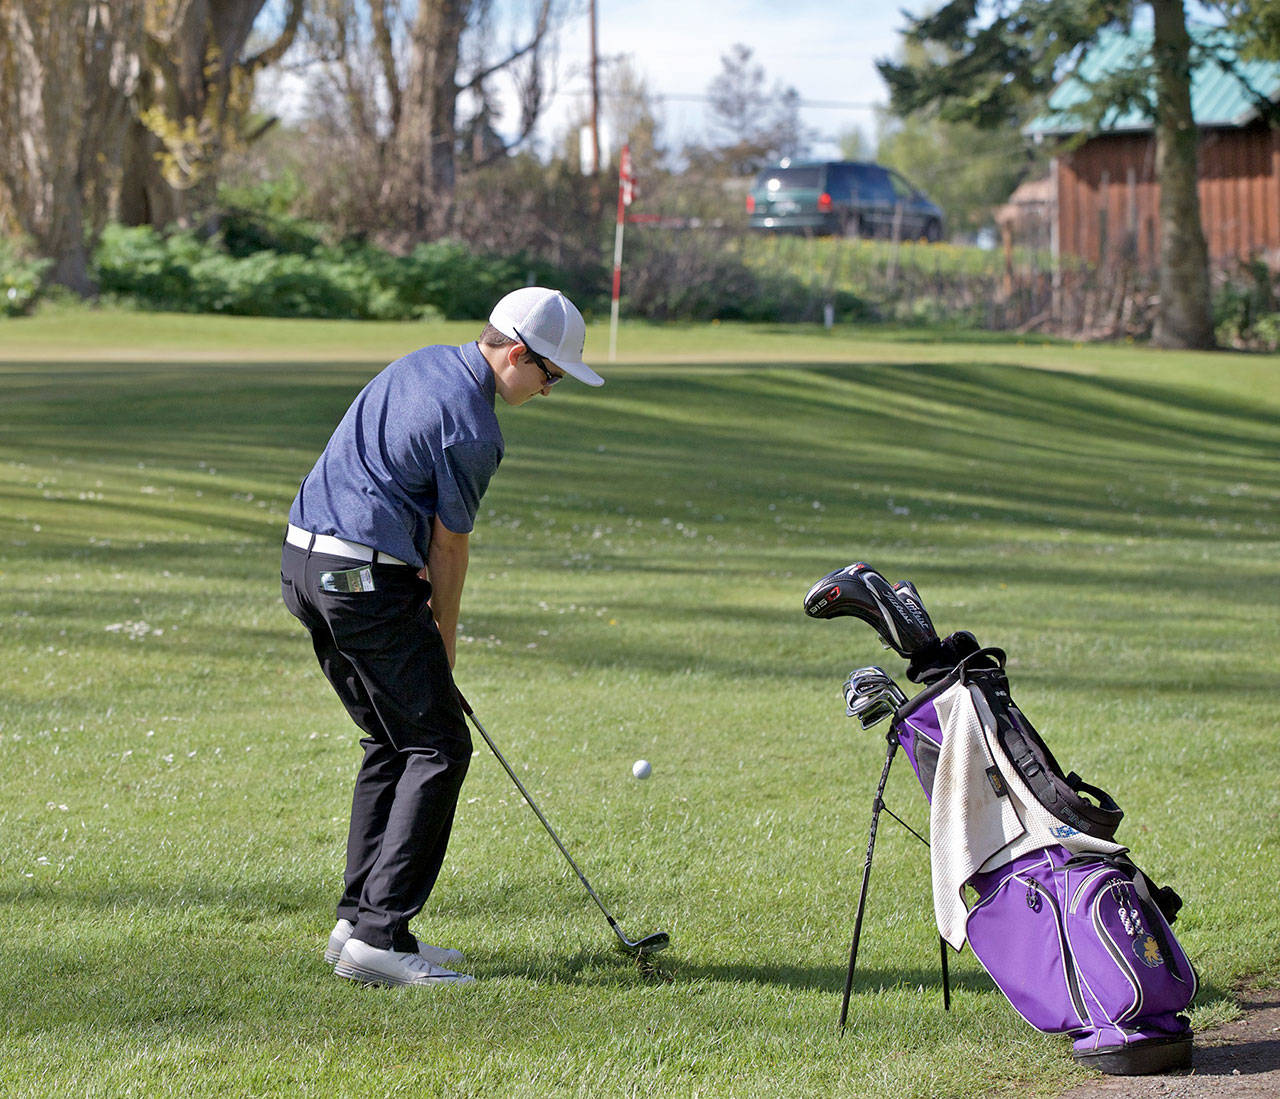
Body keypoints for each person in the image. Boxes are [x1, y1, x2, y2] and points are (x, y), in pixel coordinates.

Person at [280, 287, 604, 987]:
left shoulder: (418, 362)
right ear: (517, 353)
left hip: (303, 563)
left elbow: (389, 477)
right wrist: (443, 653)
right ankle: (378, 939)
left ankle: (356, 922)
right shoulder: (475, 429)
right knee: (439, 743)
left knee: (393, 739)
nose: (548, 392)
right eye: (549, 376)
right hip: (361, 580)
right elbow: (450, 551)